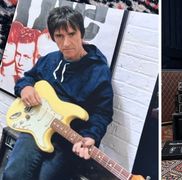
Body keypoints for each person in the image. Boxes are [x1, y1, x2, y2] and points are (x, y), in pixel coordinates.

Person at [3, 6, 113, 180]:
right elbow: (28, 78)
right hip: (36, 125)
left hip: (68, 139)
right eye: (59, 36)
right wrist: (25, 88)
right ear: (53, 37)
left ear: (81, 33)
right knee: (13, 174)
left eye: (71, 34)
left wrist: (91, 135)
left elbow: (103, 112)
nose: (66, 43)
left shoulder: (98, 71)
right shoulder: (50, 59)